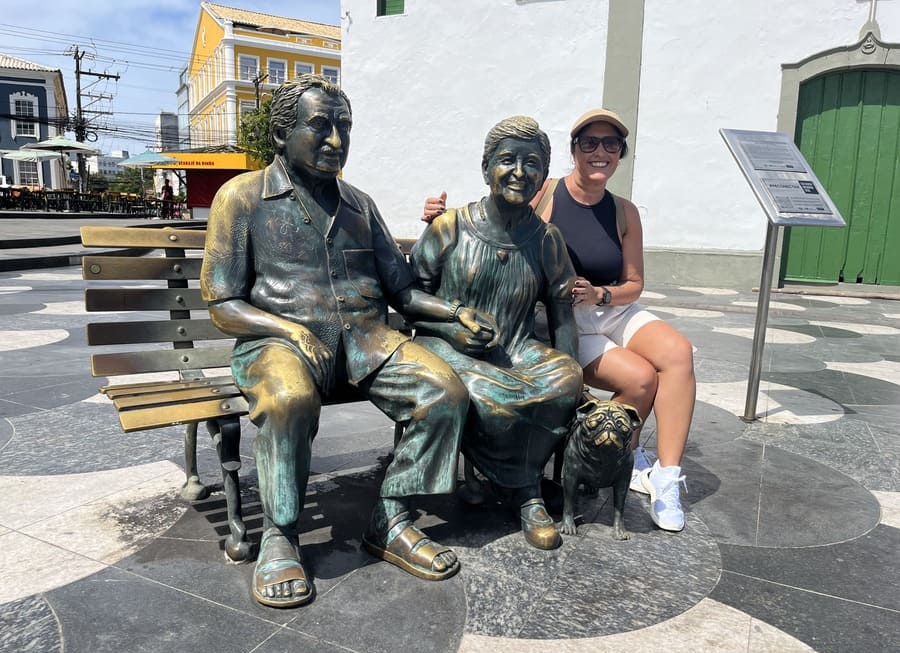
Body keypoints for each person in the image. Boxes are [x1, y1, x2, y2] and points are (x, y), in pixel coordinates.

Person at [201, 74, 500, 608]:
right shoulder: (241, 199)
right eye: (320, 127)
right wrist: (286, 328)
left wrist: (454, 313)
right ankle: (280, 534)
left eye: (344, 128)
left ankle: (392, 517)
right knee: (289, 400)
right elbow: (223, 304)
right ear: (279, 134)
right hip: (276, 344)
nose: (335, 141)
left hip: (364, 340)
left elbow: (403, 290)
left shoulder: (360, 205)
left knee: (443, 392)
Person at [422, 109, 695, 533]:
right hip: (563, 314)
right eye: (590, 143)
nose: (600, 152)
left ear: (621, 153)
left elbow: (635, 283)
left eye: (611, 145)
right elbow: (497, 212)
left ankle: (661, 474)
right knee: (640, 380)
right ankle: (606, 451)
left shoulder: (624, 211)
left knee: (678, 352)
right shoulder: (544, 191)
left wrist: (603, 294)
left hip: (608, 305)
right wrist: (439, 215)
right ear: (574, 151)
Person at [411, 116, 583, 550]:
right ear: (487, 167)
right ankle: (526, 492)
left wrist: (574, 376)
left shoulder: (547, 239)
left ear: (544, 175)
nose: (519, 172)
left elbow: (563, 316)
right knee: (495, 395)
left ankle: (513, 482)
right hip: (444, 340)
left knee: (562, 380)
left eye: (532, 163)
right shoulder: (449, 226)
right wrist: (450, 330)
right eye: (507, 160)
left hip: (516, 346)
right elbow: (408, 300)